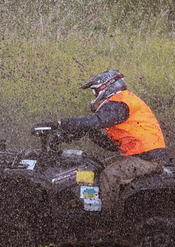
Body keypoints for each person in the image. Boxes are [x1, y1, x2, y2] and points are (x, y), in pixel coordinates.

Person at [58, 70, 166, 209]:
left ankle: (107, 215)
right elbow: (114, 145)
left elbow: (96, 121)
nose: (94, 96)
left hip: (148, 159)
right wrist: (93, 135)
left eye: (95, 92)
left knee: (110, 175)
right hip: (143, 155)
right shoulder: (122, 103)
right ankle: (91, 202)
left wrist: (62, 123)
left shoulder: (120, 103)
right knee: (97, 167)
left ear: (106, 88)